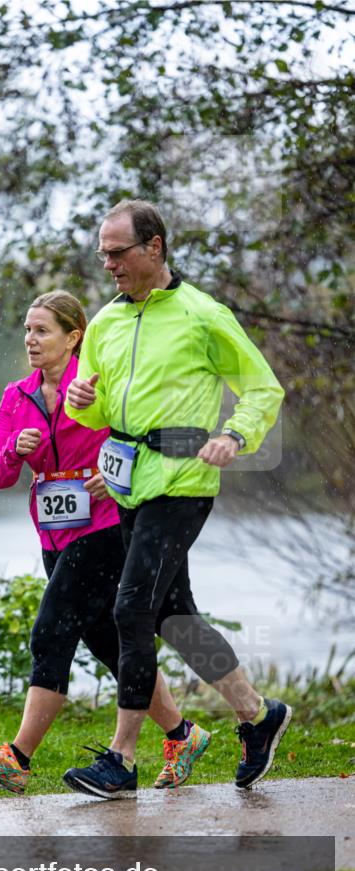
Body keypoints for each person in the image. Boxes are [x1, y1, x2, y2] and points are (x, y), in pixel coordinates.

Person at [63, 199, 292, 796]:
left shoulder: (202, 314)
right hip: (129, 482)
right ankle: (257, 714)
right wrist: (83, 402)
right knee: (173, 616)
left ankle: (121, 759)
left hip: (183, 481)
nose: (108, 264)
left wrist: (234, 435)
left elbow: (263, 388)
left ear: (155, 246)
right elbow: (98, 412)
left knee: (131, 610)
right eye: (103, 255)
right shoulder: (106, 323)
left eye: (118, 253)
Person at [0, 290, 211, 797]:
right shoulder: (17, 396)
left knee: (50, 632)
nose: (31, 340)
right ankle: (182, 734)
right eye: (27, 330)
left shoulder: (97, 384)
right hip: (53, 536)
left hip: (103, 528)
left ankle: (17, 758)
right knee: (109, 644)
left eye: (42, 330)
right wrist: (15, 450)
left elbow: (141, 440)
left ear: (74, 336)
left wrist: (110, 475)